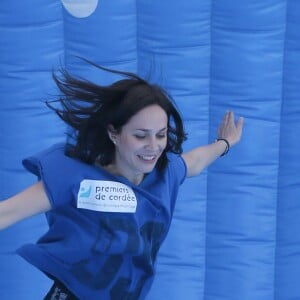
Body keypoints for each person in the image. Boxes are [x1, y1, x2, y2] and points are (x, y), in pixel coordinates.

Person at [0, 61, 244, 300]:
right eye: (140, 136)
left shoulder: (165, 174)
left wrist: (224, 144)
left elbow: (195, 162)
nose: (153, 146)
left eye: (161, 135)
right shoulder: (77, 177)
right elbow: (6, 213)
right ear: (114, 133)